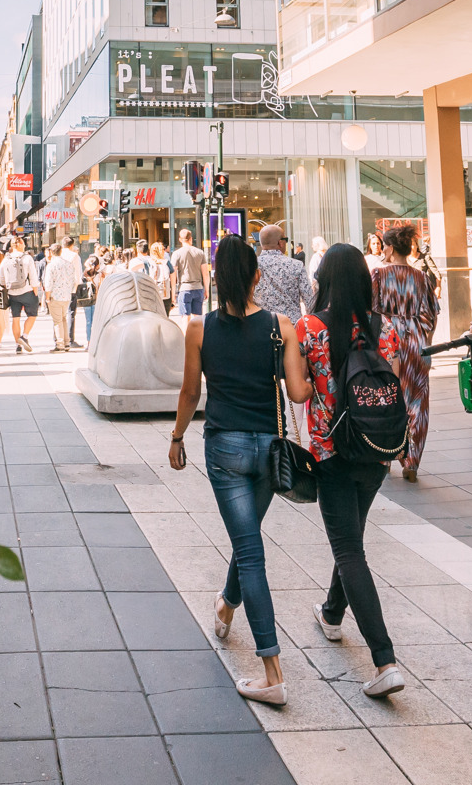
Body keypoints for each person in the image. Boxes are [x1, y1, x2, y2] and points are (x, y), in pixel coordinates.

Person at [169, 235, 311, 706]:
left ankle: (272, 672)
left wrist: (176, 438)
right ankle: (227, 605)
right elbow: (297, 393)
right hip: (269, 452)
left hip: (225, 450)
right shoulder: (281, 325)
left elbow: (191, 395)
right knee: (247, 541)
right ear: (257, 275)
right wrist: (310, 366)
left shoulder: (198, 329)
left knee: (248, 549)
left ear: (215, 276)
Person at [297, 244, 406, 698]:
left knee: (348, 550)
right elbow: (393, 387)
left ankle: (385, 661)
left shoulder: (310, 329)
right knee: (352, 540)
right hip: (376, 450)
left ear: (323, 279)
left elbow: (301, 392)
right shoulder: (388, 330)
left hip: (331, 453)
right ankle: (331, 615)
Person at [372, 226, 439, 482]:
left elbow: (372, 310)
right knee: (417, 402)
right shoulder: (422, 276)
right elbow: (431, 315)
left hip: (388, 342)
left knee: (388, 398)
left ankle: (386, 455)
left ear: (388, 247)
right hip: (417, 342)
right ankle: (411, 462)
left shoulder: (378, 273)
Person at [253, 223, 315, 323]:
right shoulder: (296, 265)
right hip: (292, 325)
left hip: (261, 324)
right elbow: (309, 300)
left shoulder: (252, 265)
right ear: (280, 243)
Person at [0, 237, 41, 354]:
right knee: (32, 315)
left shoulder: (6, 259)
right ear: (19, 244)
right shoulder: (27, 258)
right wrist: (35, 291)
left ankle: (18, 346)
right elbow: (33, 276)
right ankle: (24, 336)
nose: (24, 245)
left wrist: (7, 288)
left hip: (12, 293)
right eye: (23, 243)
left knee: (15, 319)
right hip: (27, 291)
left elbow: (2, 278)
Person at [43, 236, 81, 352]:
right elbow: (74, 279)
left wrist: (47, 297)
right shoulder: (68, 264)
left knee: (57, 321)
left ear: (51, 252)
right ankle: (66, 342)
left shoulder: (51, 265)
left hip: (55, 296)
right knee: (64, 318)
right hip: (67, 295)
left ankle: (60, 344)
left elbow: (48, 283)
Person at [170, 229, 210, 322]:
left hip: (184, 289)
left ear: (180, 239)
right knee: (197, 318)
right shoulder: (200, 252)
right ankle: (198, 337)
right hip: (198, 288)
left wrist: (173, 294)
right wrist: (206, 290)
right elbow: (206, 273)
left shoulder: (176, 254)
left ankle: (186, 336)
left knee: (185, 317)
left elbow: (173, 275)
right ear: (191, 239)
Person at [75, 250, 103, 345]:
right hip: (96, 299)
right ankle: (96, 342)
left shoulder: (84, 274)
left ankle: (89, 342)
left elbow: (80, 284)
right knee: (95, 322)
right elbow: (99, 286)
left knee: (88, 321)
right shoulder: (99, 274)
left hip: (86, 299)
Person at [149, 241, 173, 312]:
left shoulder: (148, 263)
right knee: (165, 316)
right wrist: (173, 296)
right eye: (163, 249)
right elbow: (173, 280)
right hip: (166, 294)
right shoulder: (166, 262)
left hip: (152, 295)